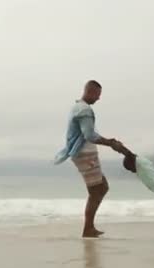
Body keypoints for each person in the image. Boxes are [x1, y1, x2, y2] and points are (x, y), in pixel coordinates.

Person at [54, 80, 123, 238]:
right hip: (85, 154)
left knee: (101, 188)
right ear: (90, 92)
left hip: (82, 153)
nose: (98, 99)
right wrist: (110, 142)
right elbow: (89, 135)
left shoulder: (77, 107)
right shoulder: (84, 110)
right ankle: (88, 229)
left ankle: (89, 227)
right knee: (97, 190)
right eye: (97, 95)